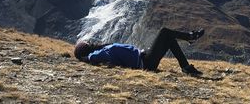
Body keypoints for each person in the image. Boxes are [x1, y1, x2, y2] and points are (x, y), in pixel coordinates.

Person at [74, 27, 205, 76]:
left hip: (144, 57)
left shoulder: (103, 49)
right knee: (164, 32)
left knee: (169, 39)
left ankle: (186, 67)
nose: (92, 44)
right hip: (145, 63)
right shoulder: (98, 54)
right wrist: (84, 58)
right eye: (89, 44)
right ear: (87, 49)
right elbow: (92, 58)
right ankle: (189, 37)